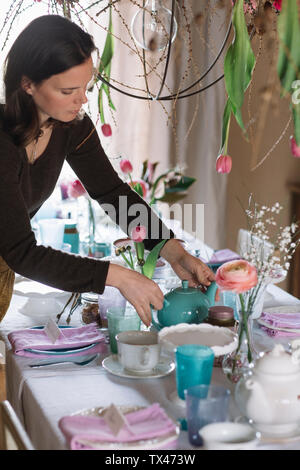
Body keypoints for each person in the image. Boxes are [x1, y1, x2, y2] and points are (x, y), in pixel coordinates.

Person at [0, 15, 215, 327]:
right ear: (27, 84)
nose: (82, 99)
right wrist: (117, 277)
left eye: (86, 86)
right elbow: (22, 251)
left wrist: (173, 251)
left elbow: (113, 194)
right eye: (68, 90)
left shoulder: (70, 126)